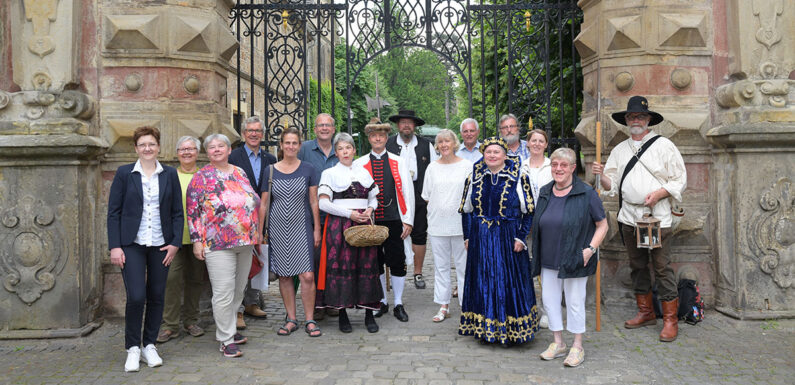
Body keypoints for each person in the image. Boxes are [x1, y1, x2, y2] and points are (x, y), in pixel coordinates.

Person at [591, 95, 687, 342]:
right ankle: (646, 312)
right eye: (632, 116)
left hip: (657, 217)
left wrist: (659, 193)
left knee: (662, 267)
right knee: (637, 265)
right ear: (626, 120)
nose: (636, 120)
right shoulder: (620, 150)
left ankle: (670, 320)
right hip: (629, 217)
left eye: (641, 116)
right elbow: (609, 186)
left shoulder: (664, 146)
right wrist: (601, 175)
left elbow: (679, 180)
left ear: (648, 120)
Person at [107, 126, 183, 372]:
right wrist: (115, 246)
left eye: (151, 144)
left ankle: (149, 344)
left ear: (158, 146)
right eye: (142, 145)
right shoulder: (124, 173)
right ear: (136, 148)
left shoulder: (169, 174)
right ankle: (133, 348)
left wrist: (175, 243)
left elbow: (177, 213)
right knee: (137, 296)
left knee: (157, 296)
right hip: (132, 245)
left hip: (161, 246)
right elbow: (114, 213)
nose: (147, 148)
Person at [531, 148, 608, 367]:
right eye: (555, 165)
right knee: (550, 300)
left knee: (574, 302)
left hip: (576, 257)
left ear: (573, 168)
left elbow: (602, 225)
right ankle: (558, 342)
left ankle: (577, 346)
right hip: (548, 256)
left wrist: (590, 249)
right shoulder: (545, 191)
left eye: (564, 165)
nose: (558, 169)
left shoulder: (586, 193)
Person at [459, 137, 538, 346]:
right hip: (481, 237)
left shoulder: (519, 177)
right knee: (483, 280)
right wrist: (467, 236)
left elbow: (529, 211)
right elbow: (466, 211)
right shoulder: (474, 177)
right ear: (483, 155)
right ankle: (486, 329)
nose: (492, 156)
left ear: (505, 155)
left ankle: (511, 330)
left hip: (507, 237)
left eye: (496, 152)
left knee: (508, 280)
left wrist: (521, 236)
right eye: (488, 152)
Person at [186, 134, 261, 358]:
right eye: (212, 147)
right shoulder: (201, 177)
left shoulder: (240, 172)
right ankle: (226, 339)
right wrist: (197, 241)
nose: (217, 150)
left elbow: (252, 200)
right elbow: (193, 212)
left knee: (238, 289)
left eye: (221, 146)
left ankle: (229, 327)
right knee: (223, 291)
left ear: (229, 150)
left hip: (245, 241)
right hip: (217, 242)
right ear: (207, 152)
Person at [315, 132, 383, 333]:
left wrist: (370, 209)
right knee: (343, 268)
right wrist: (349, 214)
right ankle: (342, 314)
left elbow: (374, 198)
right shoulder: (330, 174)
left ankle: (369, 314)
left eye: (348, 148)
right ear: (336, 153)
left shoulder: (363, 172)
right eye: (341, 149)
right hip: (340, 227)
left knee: (367, 267)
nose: (345, 152)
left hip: (363, 225)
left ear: (354, 150)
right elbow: (323, 203)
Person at [259, 127, 323, 337]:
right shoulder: (270, 170)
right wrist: (260, 233)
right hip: (278, 229)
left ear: (300, 145)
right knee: (285, 276)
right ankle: (291, 318)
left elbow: (314, 202)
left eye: (295, 143)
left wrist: (317, 229)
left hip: (301, 227)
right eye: (287, 143)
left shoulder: (308, 169)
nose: (291, 146)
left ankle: (310, 319)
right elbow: (264, 204)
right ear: (281, 145)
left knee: (307, 275)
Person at [354, 117, 415, 322]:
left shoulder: (399, 161)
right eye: (374, 136)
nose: (378, 138)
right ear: (369, 138)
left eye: (381, 135)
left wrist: (408, 221)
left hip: (394, 218)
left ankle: (398, 302)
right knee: (375, 262)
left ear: (386, 137)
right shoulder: (359, 163)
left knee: (397, 260)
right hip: (370, 220)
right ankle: (382, 300)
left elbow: (408, 192)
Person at [157, 136, 208, 343]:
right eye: (182, 149)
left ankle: (191, 320)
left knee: (196, 279)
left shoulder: (205, 175)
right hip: (173, 238)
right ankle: (169, 325)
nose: (187, 153)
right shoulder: (169, 175)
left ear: (197, 152)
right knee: (171, 280)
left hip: (199, 237)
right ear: (177, 153)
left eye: (191, 149)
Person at [228, 116, 276, 328]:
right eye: (250, 130)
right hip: (239, 218)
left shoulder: (270, 159)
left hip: (263, 215)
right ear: (243, 133)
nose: (254, 134)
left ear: (262, 134)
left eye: (258, 130)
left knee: (259, 257)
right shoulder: (234, 156)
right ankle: (237, 310)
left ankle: (251, 302)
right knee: (239, 262)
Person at [421, 129, 472, 322]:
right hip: (437, 224)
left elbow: (472, 195)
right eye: (440, 142)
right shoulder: (432, 168)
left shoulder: (466, 165)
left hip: (461, 224)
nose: (444, 145)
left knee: (463, 266)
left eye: (447, 141)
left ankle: (466, 306)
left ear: (454, 143)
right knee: (441, 267)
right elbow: (427, 195)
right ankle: (443, 305)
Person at [386, 109, 438, 290]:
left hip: (419, 193)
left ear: (414, 125)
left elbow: (434, 171)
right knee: (393, 234)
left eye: (409, 122)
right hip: (394, 195)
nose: (406, 125)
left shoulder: (426, 145)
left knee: (419, 233)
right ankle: (395, 273)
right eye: (403, 122)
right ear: (397, 125)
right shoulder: (388, 143)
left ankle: (417, 272)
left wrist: (431, 196)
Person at [298, 113, 340, 321]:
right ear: (314, 129)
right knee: (313, 261)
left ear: (333, 129)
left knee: (333, 260)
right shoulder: (305, 149)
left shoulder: (340, 148)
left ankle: (332, 301)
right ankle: (315, 304)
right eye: (320, 125)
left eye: (328, 125)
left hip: (336, 216)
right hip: (310, 215)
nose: (324, 128)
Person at [521, 129, 553, 202]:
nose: (537, 144)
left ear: (546, 145)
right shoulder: (521, 167)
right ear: (528, 143)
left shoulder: (552, 166)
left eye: (541, 141)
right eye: (534, 140)